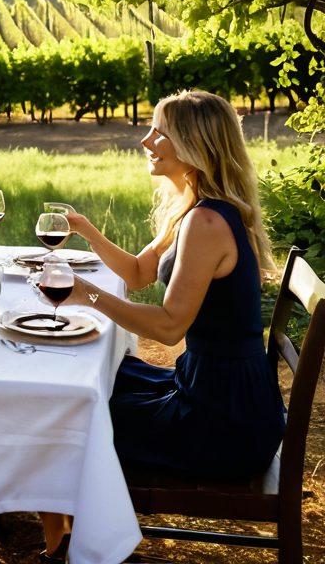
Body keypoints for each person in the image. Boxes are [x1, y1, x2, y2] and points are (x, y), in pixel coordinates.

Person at [37, 89, 286, 563]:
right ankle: (72, 534)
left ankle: (72, 548)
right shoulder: (194, 204)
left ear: (192, 144)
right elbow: (137, 273)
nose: (146, 141)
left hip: (224, 421)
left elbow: (170, 327)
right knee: (89, 390)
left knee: (68, 419)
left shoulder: (208, 222)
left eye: (159, 132)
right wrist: (86, 229)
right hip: (212, 390)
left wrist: (85, 294)